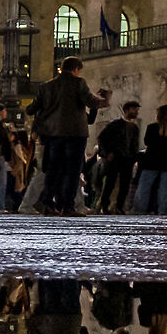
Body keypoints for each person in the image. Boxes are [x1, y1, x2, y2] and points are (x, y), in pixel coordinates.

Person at [27, 56, 105, 215]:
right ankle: (67, 206)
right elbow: (91, 101)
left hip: (53, 134)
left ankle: (47, 202)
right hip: (74, 134)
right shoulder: (78, 83)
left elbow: (31, 109)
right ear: (76, 69)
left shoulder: (46, 87)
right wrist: (102, 99)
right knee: (72, 171)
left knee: (53, 170)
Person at [136, 103, 167, 213]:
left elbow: (147, 142)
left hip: (152, 160)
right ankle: (163, 211)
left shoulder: (152, 127)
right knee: (165, 188)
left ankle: (141, 210)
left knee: (145, 187)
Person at [95, 100, 141, 213]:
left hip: (128, 159)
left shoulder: (135, 128)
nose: (136, 112)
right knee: (110, 183)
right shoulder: (116, 124)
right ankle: (105, 205)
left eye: (136, 109)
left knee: (125, 184)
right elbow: (101, 138)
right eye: (134, 109)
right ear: (126, 110)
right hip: (115, 158)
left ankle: (119, 206)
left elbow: (134, 145)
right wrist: (107, 153)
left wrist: (134, 157)